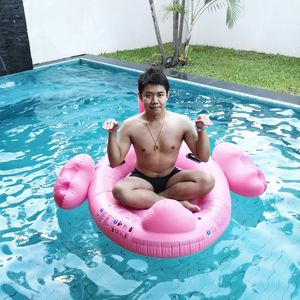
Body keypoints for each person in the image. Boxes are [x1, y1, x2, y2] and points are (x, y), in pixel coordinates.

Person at [102, 68, 215, 212]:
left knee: (207, 180)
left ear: (167, 95)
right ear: (140, 96)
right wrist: (112, 134)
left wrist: (201, 130)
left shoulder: (182, 122)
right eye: (148, 95)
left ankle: (154, 198)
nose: (155, 101)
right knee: (119, 190)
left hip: (172, 178)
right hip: (142, 179)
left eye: (160, 95)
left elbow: (203, 157)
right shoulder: (130, 125)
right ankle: (177, 204)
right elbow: (115, 161)